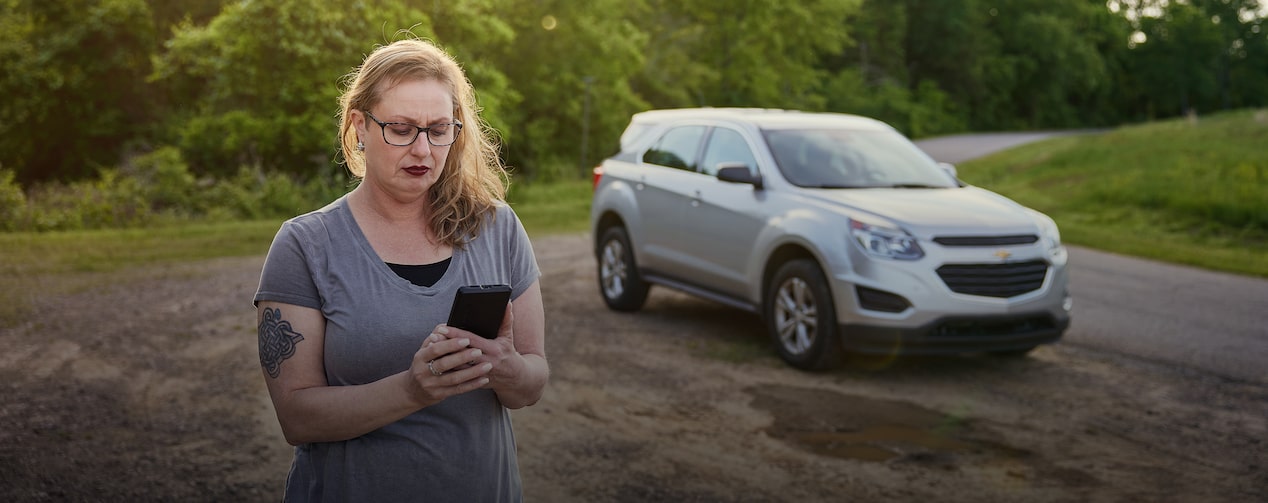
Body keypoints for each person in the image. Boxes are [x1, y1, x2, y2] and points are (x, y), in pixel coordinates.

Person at [253, 37, 548, 502]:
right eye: (401, 128)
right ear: (359, 127)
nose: (423, 149)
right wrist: (413, 390)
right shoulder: (305, 245)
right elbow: (297, 417)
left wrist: (505, 367)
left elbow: (532, 383)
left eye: (438, 129)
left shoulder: (497, 227)